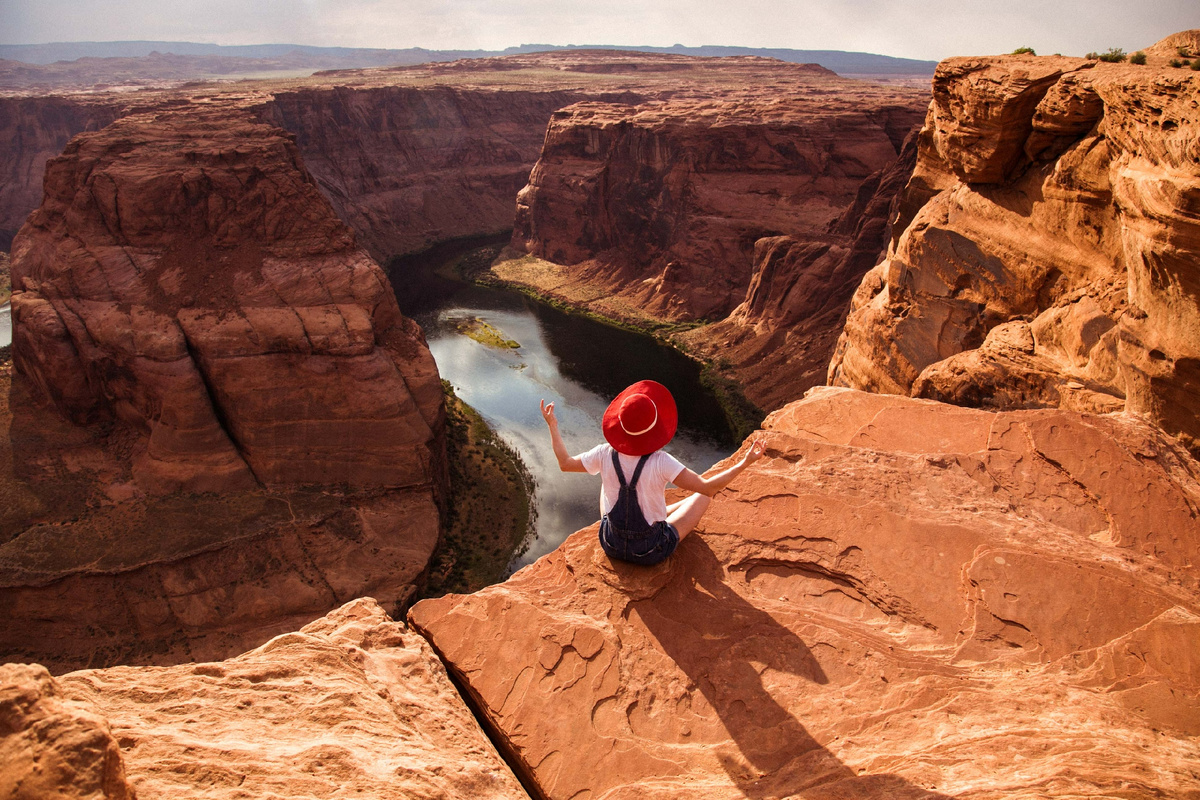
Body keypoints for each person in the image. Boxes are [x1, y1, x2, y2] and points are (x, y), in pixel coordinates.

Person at [540, 379, 765, 566]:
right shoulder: (662, 462)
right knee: (702, 496)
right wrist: (745, 462)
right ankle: (657, 519)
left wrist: (552, 425)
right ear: (655, 427)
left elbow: (565, 463)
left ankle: (654, 516)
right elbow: (709, 488)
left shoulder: (604, 453)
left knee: (605, 480)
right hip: (649, 552)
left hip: (610, 544)